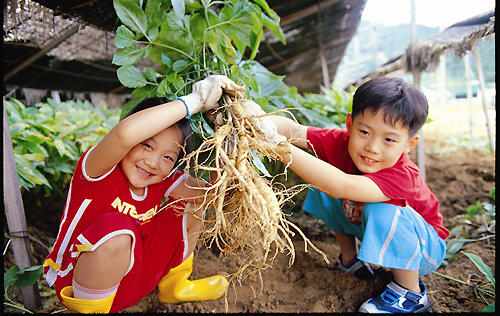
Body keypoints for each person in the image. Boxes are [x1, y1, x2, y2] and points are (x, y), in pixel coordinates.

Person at [43, 75, 246, 313]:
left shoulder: (162, 181)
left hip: (132, 284)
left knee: (188, 204)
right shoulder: (97, 171)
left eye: (168, 157)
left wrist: (229, 138)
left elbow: (212, 195)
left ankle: (174, 285)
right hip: (80, 288)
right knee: (116, 228)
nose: (152, 162)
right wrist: (194, 101)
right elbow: (123, 135)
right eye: (147, 145)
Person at [264, 77, 449, 313]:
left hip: (424, 249)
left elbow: (342, 186)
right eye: (364, 131)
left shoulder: (402, 175)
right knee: (323, 180)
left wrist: (277, 146)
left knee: (380, 206)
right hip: (374, 224)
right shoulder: (342, 143)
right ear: (350, 125)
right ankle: (350, 261)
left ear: (409, 144)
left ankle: (411, 294)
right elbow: (295, 131)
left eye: (389, 139)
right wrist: (254, 119)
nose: (372, 147)